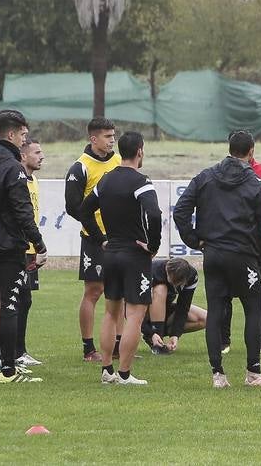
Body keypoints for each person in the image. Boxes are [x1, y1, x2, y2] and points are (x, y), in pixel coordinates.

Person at [173, 130, 261, 389]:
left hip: (214, 253)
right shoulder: (255, 183)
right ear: (251, 152)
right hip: (242, 254)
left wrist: (195, 240)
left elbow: (181, 210)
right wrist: (258, 255)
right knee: (254, 307)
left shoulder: (206, 176)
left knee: (217, 311)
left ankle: (218, 374)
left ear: (229, 149)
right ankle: (253, 372)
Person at [0, 109, 47, 383]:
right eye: (23, 135)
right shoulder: (12, 168)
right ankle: (8, 370)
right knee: (10, 305)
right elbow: (22, 211)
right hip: (10, 247)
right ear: (11, 134)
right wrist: (38, 243)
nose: (24, 141)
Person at [80, 131, 161, 386]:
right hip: (134, 255)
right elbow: (155, 215)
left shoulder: (105, 180)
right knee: (135, 314)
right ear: (139, 151)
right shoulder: (141, 181)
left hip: (111, 253)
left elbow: (84, 211)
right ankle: (125, 374)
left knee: (110, 313)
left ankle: (106, 370)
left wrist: (101, 238)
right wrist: (153, 245)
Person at [64, 117, 121, 361]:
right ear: (93, 138)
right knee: (94, 291)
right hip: (95, 240)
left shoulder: (119, 161)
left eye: (113, 136)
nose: (112, 141)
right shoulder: (80, 168)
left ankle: (117, 346)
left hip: (120, 239)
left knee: (117, 293)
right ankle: (89, 349)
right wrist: (98, 235)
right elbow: (74, 208)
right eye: (108, 137)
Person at [218, 152, 261, 356]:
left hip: (256, 245)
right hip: (228, 243)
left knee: (258, 293)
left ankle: (259, 341)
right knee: (224, 293)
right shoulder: (220, 173)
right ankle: (223, 341)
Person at [15, 137, 45, 368]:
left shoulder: (32, 179)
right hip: (19, 248)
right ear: (23, 155)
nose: (41, 156)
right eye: (36, 152)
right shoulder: (17, 180)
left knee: (26, 300)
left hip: (31, 249)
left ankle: (20, 350)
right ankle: (11, 351)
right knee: (16, 299)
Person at [143, 257, 208, 353]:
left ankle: (157, 337)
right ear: (167, 270)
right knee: (161, 289)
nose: (175, 285)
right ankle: (156, 337)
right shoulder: (152, 270)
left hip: (166, 308)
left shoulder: (191, 276)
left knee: (206, 318)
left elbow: (183, 307)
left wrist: (175, 335)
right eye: (172, 281)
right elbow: (130, 310)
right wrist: (151, 332)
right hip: (143, 312)